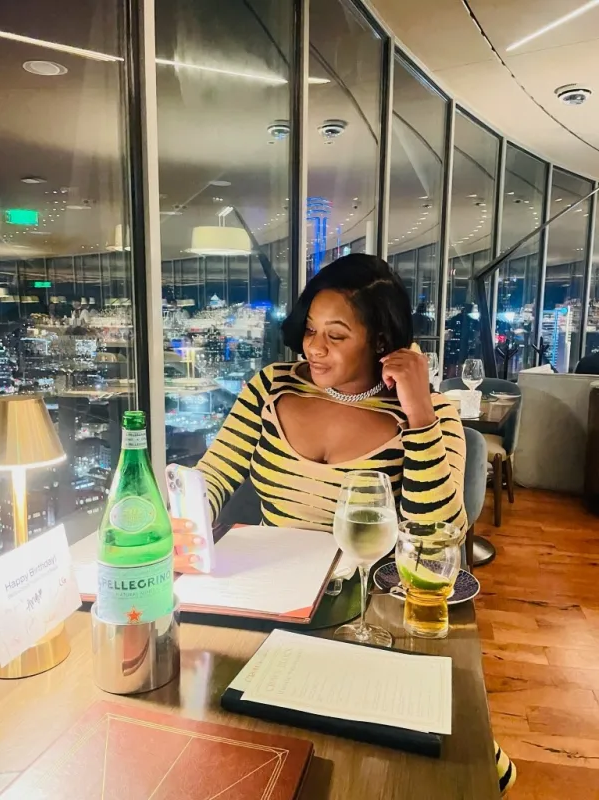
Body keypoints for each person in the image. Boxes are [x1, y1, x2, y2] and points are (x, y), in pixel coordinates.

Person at [171, 253, 514, 795]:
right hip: (271, 594)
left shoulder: (428, 412)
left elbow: (436, 533)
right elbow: (213, 476)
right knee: (219, 723)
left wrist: (420, 415)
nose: (314, 347)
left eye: (336, 335)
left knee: (403, 760)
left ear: (381, 340)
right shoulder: (269, 388)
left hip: (370, 605)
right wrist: (184, 518)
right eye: (310, 330)